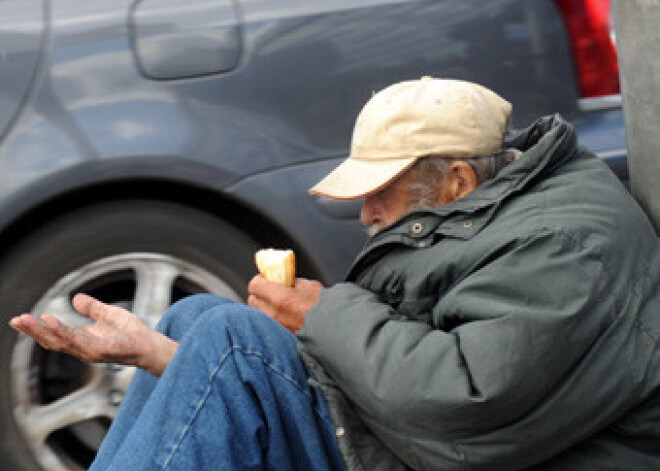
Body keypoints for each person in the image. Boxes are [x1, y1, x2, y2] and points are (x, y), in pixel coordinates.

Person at [10, 77, 660, 470]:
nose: (367, 212)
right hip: (424, 436)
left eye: (382, 192)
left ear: (457, 178)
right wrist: (160, 354)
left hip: (465, 449)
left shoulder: (568, 244)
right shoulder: (490, 207)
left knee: (235, 339)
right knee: (197, 321)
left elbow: (461, 399)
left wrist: (321, 315)